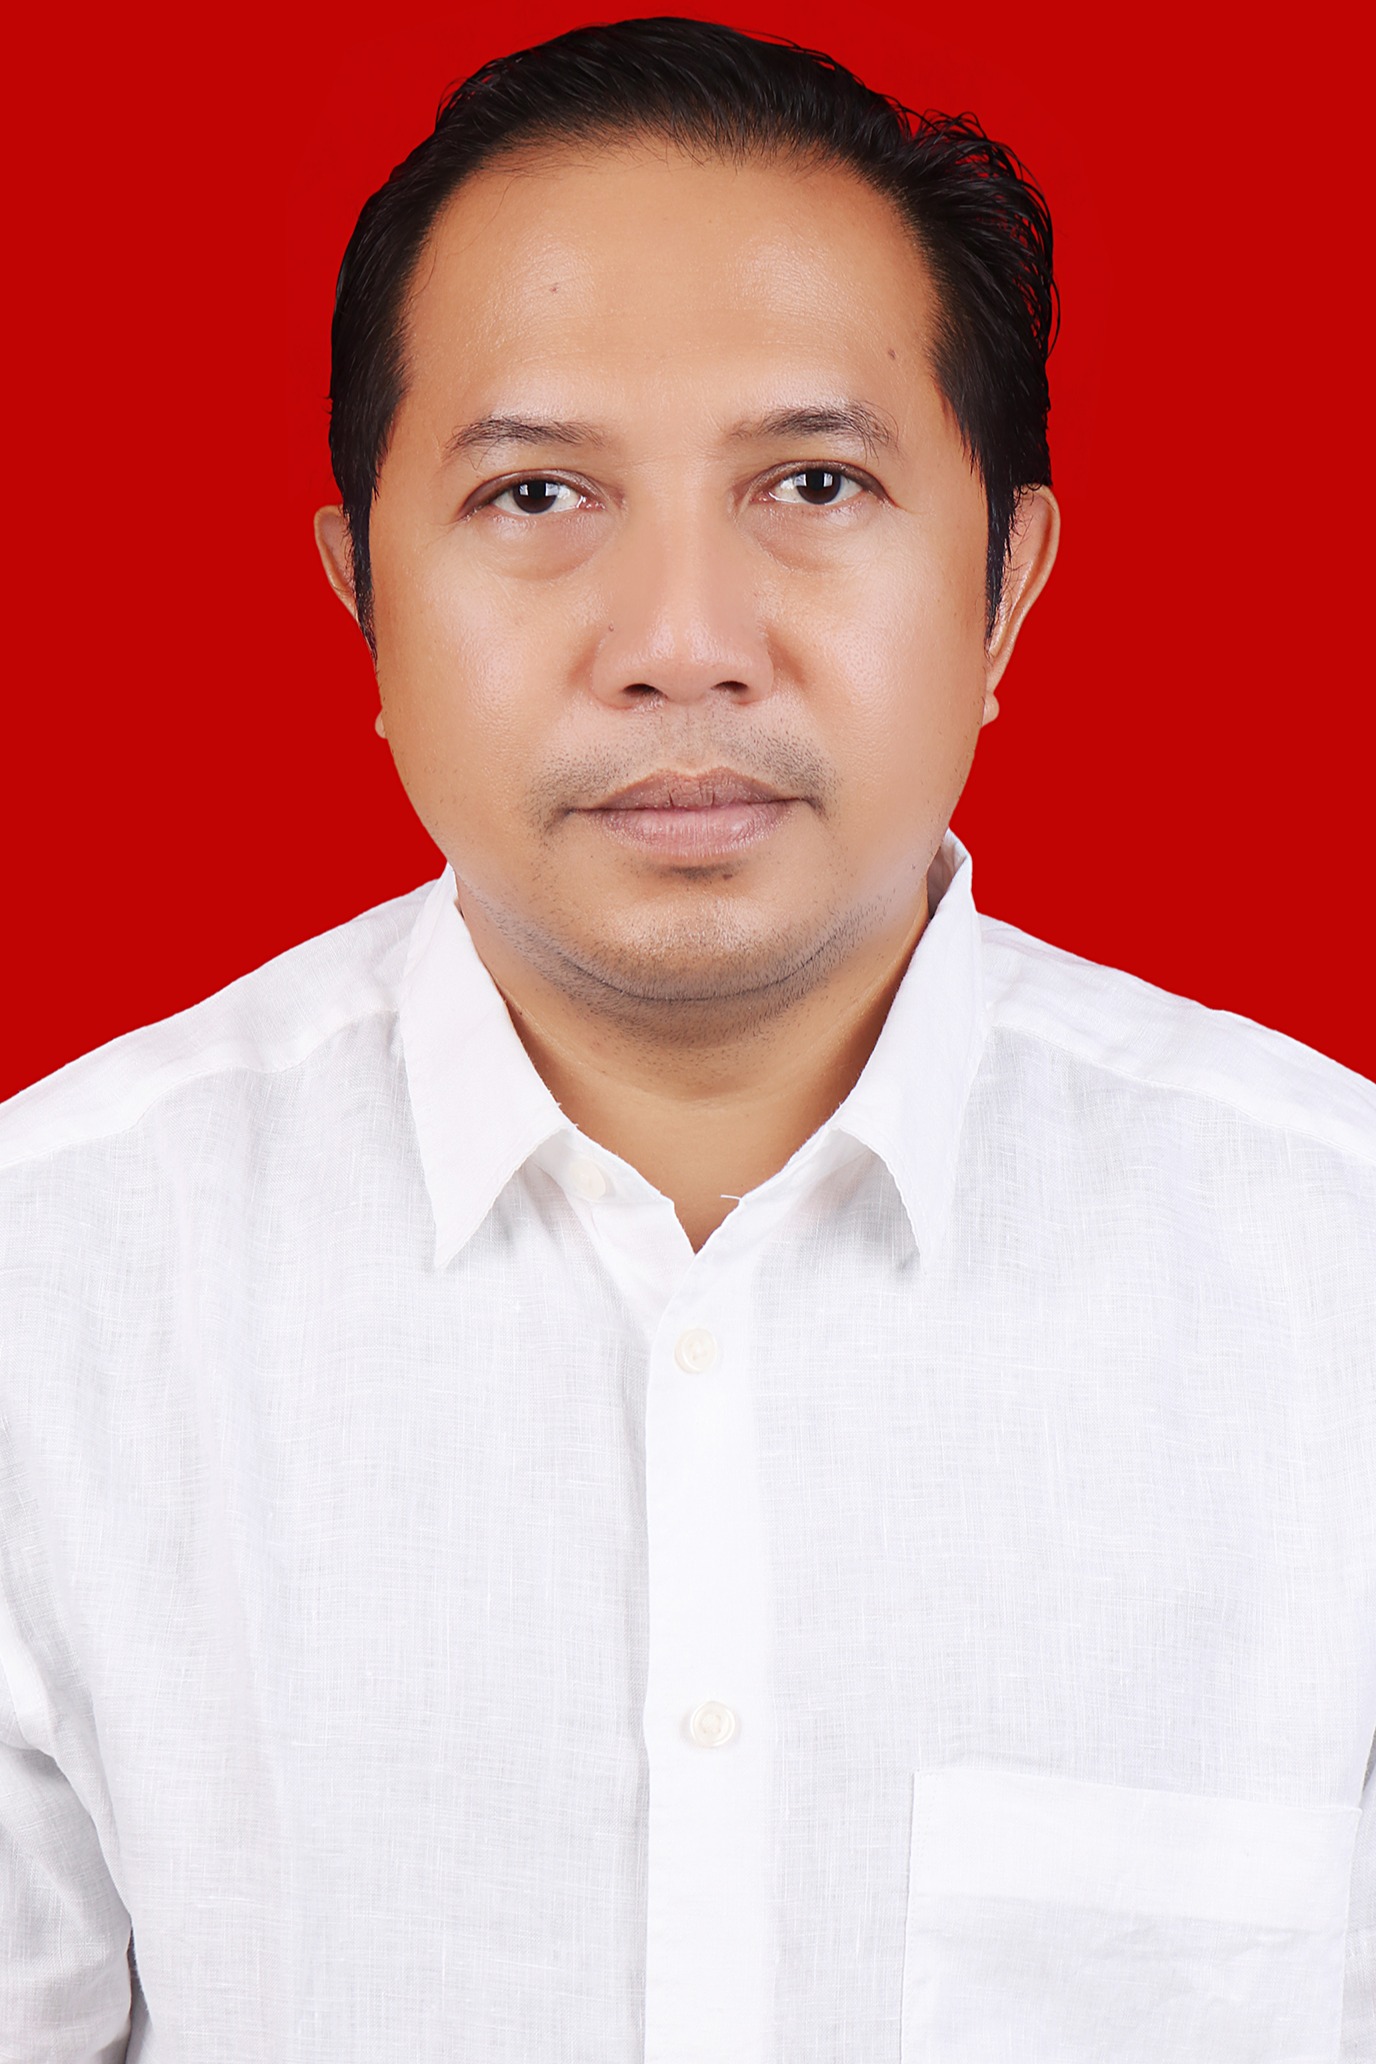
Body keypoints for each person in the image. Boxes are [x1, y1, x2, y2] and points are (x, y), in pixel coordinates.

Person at [1, 15, 1371, 2061]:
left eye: (814, 483)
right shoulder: (50, 1297)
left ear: (1003, 589)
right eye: (536, 490)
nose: (679, 643)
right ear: (362, 595)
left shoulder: (1335, 1289)